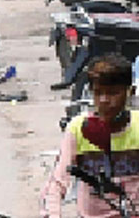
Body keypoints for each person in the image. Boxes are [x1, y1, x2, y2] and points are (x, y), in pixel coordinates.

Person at [41, 53, 139, 217]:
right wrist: (52, 213)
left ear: (130, 92)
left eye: (113, 93)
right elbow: (57, 183)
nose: (104, 100)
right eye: (98, 93)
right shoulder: (78, 129)